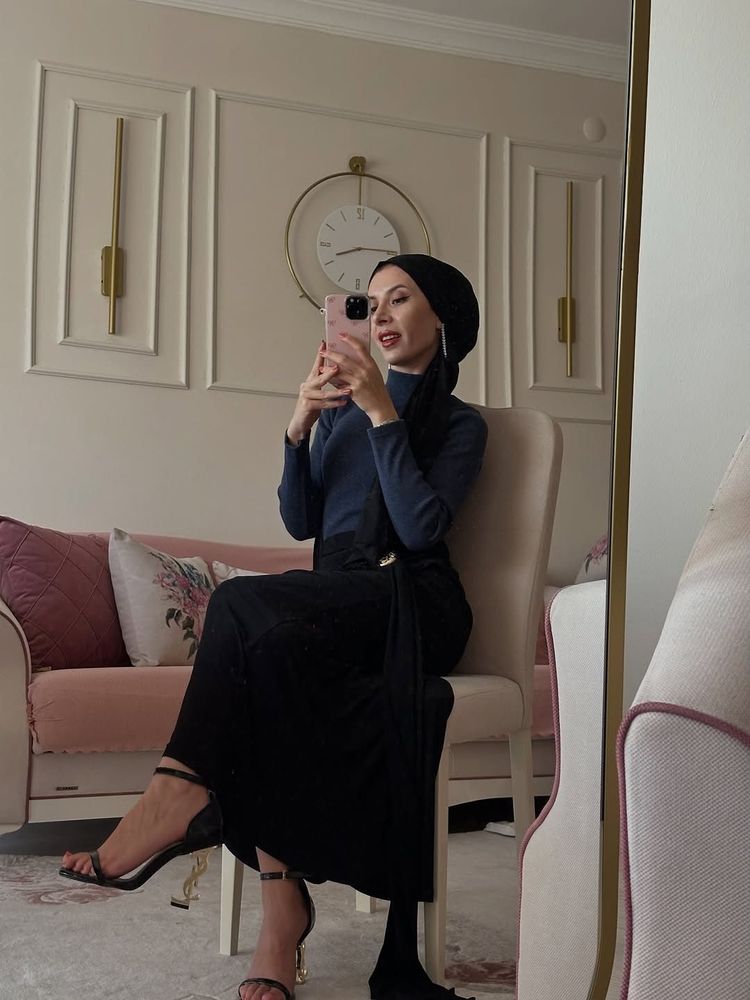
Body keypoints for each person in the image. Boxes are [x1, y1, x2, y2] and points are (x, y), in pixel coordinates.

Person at [59, 254, 488, 1000]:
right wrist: (300, 428)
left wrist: (383, 411)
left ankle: (177, 795)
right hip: (340, 599)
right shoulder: (345, 413)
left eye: (400, 300)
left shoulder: (459, 424)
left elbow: (420, 530)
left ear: (443, 319)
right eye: (369, 302)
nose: (379, 315)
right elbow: (301, 520)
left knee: (237, 606)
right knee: (268, 661)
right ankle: (281, 910)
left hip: (414, 603)